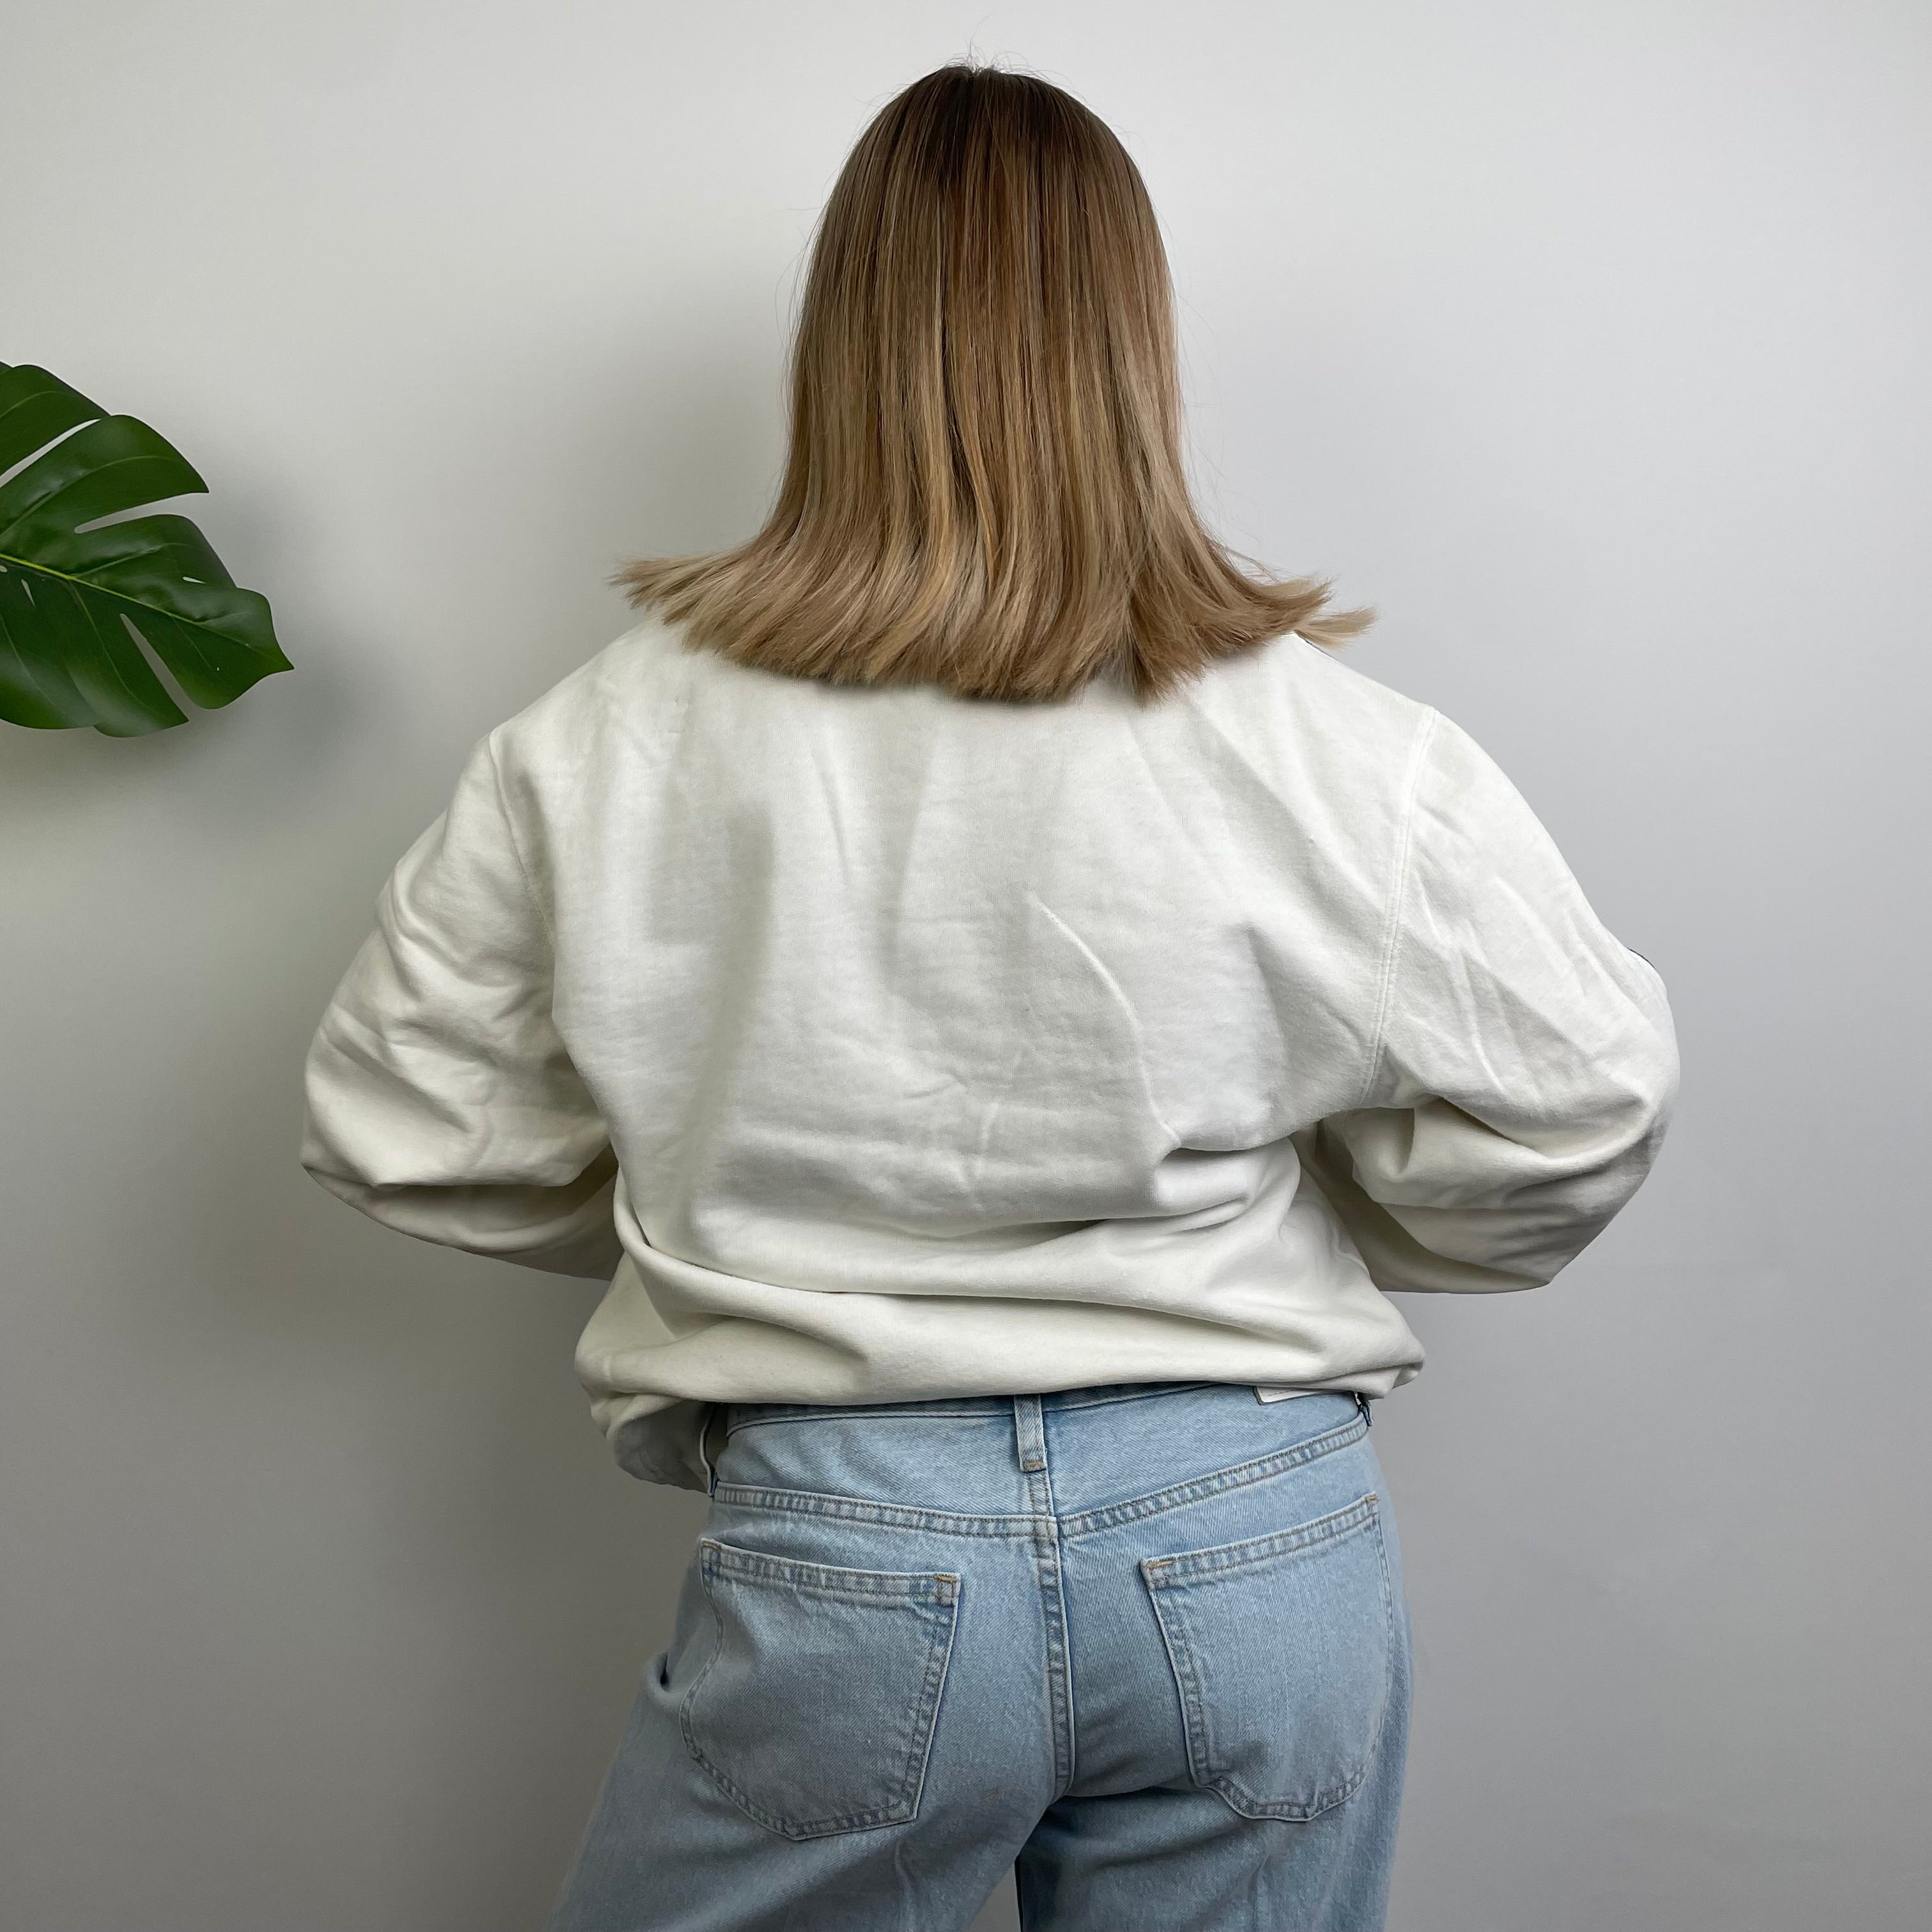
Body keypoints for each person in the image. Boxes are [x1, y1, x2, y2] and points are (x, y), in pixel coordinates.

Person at [299, 60, 1679, 1932]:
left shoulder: (610, 734)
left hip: (849, 1542)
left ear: (845, 333)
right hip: (1252, 1524)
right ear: (1134, 340)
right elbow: (1581, 1101)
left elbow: (402, 1121)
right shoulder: (1337, 746)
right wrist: (1317, 1214)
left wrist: (726, 1217)